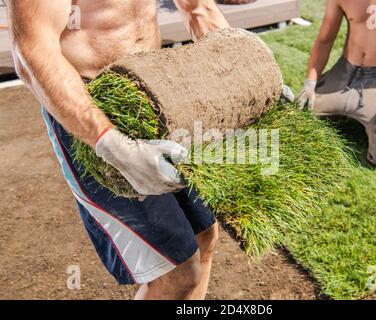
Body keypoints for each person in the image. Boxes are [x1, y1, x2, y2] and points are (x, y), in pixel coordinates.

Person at [6, 0, 231, 300]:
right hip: (90, 106)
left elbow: (199, 8)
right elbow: (32, 51)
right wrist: (113, 145)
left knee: (204, 235)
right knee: (177, 271)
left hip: (155, 93)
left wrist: (245, 67)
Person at [297, 0, 376, 169]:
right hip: (345, 71)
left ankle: (373, 112)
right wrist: (310, 82)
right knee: (299, 114)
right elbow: (324, 40)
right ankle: (342, 107)